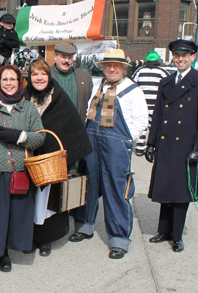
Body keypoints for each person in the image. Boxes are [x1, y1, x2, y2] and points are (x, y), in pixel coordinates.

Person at [69, 49, 149, 260]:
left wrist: (125, 139)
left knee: (116, 189)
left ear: (124, 68)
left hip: (117, 146)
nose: (112, 69)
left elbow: (142, 121)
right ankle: (85, 226)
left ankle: (119, 239)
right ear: (103, 67)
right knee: (89, 185)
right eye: (108, 65)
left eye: (116, 66)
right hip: (93, 142)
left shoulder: (133, 91)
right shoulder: (97, 87)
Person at [0, 64, 45, 273]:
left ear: (20, 82)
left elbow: (40, 137)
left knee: (13, 216)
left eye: (13, 79)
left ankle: (4, 253)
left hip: (18, 172)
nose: (9, 83)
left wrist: (21, 137)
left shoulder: (29, 108)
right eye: (5, 79)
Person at [145, 40, 198, 253]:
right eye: (177, 55)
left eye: (185, 55)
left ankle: (177, 236)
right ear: (172, 58)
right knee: (166, 189)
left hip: (186, 147)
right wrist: (151, 142)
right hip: (166, 146)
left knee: (180, 193)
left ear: (193, 57)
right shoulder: (166, 82)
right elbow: (157, 115)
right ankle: (164, 230)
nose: (180, 59)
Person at [24, 59, 92, 257]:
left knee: (49, 200)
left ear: (49, 76)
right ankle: (29, 236)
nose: (39, 78)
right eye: (35, 74)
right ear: (30, 76)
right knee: (28, 199)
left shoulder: (59, 97)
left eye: (43, 74)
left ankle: (46, 239)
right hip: (29, 157)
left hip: (52, 160)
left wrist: (66, 158)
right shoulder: (25, 97)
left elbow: (72, 126)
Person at [131, 51, 171, 155]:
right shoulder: (162, 71)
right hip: (156, 103)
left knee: (142, 126)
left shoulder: (140, 70)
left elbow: (133, 83)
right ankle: (154, 148)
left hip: (142, 103)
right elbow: (169, 85)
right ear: (157, 60)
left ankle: (140, 149)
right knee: (155, 126)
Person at [51, 43, 93, 121]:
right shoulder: (45, 75)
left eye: (70, 58)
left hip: (76, 128)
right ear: (55, 57)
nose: (66, 61)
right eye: (63, 57)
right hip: (51, 127)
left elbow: (87, 100)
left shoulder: (85, 77)